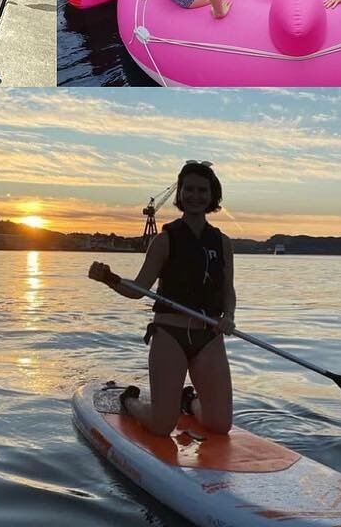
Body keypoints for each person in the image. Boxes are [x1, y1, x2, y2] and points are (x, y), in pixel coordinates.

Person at [88, 160, 235, 436]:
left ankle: (188, 401)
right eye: (188, 189)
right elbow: (138, 289)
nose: (195, 196)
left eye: (202, 190)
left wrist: (229, 316)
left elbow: (228, 290)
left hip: (209, 337)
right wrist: (108, 278)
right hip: (170, 334)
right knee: (161, 426)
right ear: (179, 194)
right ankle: (129, 400)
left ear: (212, 195)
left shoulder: (223, 243)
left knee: (220, 425)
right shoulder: (164, 240)